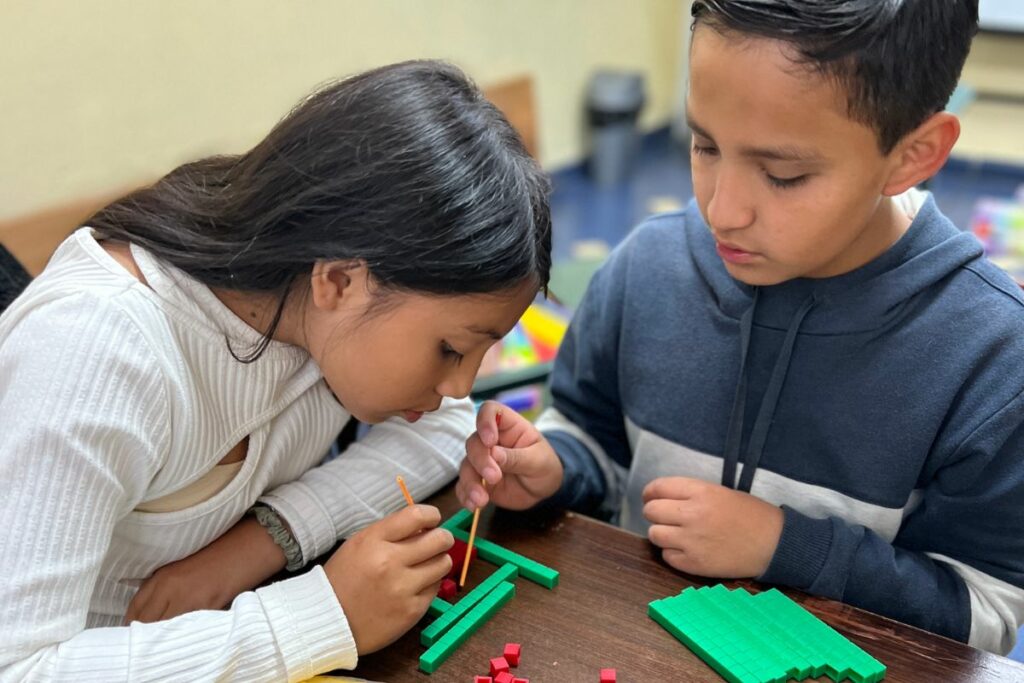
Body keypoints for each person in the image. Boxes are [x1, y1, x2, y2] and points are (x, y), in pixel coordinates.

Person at [458, 0, 1024, 654]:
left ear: (913, 155)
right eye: (703, 144)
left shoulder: (991, 356)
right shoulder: (645, 267)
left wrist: (786, 546)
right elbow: (595, 439)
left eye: (783, 175)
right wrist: (556, 467)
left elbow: (984, 615)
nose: (721, 211)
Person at [0, 59, 551, 681]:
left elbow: (451, 427)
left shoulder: (308, 307)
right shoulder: (94, 347)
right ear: (339, 280)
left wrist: (267, 538)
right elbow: (20, 668)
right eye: (450, 349)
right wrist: (322, 616)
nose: (460, 385)